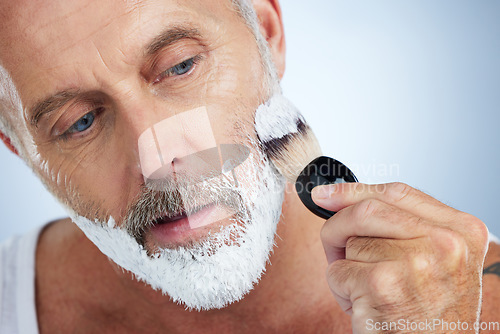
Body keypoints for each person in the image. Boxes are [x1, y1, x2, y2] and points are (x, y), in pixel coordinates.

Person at [0, 0, 499, 333]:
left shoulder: (478, 302)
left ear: (267, 34)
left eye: (180, 67)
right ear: (22, 151)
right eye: (80, 122)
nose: (160, 161)